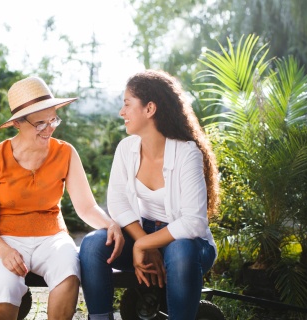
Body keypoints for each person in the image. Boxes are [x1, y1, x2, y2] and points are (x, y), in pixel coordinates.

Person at [0, 76, 124, 320]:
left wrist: (110, 224)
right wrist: (3, 251)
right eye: (40, 123)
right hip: (5, 239)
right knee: (5, 285)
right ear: (17, 124)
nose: (50, 128)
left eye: (53, 119)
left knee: (68, 273)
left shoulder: (65, 152)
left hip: (52, 238)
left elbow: (86, 207)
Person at [79, 69, 220, 320]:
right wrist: (142, 238)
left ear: (150, 109)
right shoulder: (126, 149)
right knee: (91, 245)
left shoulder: (187, 153)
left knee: (180, 251)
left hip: (188, 244)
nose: (122, 112)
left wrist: (144, 244)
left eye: (127, 105)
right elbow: (118, 203)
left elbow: (194, 222)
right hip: (142, 231)